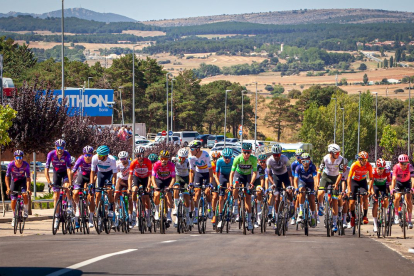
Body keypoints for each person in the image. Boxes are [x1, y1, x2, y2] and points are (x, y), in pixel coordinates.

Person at [45, 139, 72, 230]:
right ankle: (57, 216)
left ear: (64, 148)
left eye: (62, 147)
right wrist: (49, 182)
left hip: (64, 173)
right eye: (58, 147)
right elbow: (46, 169)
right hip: (56, 173)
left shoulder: (67, 155)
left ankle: (69, 204)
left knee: (66, 187)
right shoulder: (51, 154)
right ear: (55, 147)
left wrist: (70, 183)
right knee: (56, 195)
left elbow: (68, 170)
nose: (60, 149)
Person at [229, 143, 258, 230]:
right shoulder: (237, 158)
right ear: (242, 151)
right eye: (245, 152)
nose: (246, 154)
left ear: (251, 152)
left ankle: (249, 221)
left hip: (248, 176)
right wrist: (230, 185)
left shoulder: (253, 159)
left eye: (248, 152)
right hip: (239, 174)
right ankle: (235, 205)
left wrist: (252, 183)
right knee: (236, 184)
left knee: (248, 198)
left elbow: (255, 173)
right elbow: (232, 173)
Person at [316, 143, 344, 231]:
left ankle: (335, 223)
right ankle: (320, 206)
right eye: (337, 153)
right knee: (320, 192)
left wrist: (336, 184)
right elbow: (319, 172)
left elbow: (340, 174)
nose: (338, 154)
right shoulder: (325, 158)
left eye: (339, 153)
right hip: (326, 176)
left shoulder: (341, 159)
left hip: (336, 178)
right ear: (331, 153)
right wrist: (317, 183)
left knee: (335, 200)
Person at [266, 144, 293, 226]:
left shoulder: (285, 159)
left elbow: (290, 174)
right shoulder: (269, 161)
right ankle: (277, 216)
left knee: (289, 191)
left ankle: (291, 204)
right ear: (272, 154)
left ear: (280, 154)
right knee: (277, 198)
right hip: (276, 176)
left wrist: (290, 185)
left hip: (285, 175)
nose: (276, 157)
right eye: (274, 155)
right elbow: (269, 175)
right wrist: (273, 183)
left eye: (278, 155)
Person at [188, 140, 214, 223]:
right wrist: (190, 183)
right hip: (198, 173)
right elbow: (191, 171)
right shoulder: (191, 157)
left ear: (198, 149)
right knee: (197, 193)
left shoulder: (205, 155)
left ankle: (210, 207)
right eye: (190, 149)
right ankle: (196, 215)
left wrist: (210, 183)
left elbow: (210, 170)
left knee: (207, 192)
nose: (190, 151)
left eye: (192, 149)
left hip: (207, 173)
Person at [91, 145, 117, 222]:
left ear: (105, 156)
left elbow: (114, 174)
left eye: (100, 155)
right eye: (98, 154)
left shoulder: (112, 159)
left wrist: (113, 185)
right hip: (100, 174)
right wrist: (92, 183)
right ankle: (98, 211)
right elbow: (92, 172)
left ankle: (110, 209)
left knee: (109, 191)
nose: (98, 156)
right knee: (98, 194)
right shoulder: (95, 158)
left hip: (109, 174)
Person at [5, 150, 31, 227]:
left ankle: (25, 211)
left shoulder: (25, 165)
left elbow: (28, 178)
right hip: (14, 181)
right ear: (14, 158)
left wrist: (28, 189)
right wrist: (8, 188)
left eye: (20, 157)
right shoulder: (11, 165)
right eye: (17, 157)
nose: (19, 159)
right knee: (13, 200)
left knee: (25, 195)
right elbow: (7, 177)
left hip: (23, 181)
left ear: (22, 158)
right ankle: (14, 216)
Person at [347, 151, 373, 228]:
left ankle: (364, 216)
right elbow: (349, 178)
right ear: (359, 159)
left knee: (365, 197)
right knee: (351, 202)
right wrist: (349, 189)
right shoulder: (354, 165)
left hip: (362, 182)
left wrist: (369, 189)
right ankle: (352, 216)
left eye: (366, 160)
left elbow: (371, 178)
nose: (365, 162)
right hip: (354, 181)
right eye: (363, 160)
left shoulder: (368, 165)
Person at [129, 147, 152, 228]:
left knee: (146, 197)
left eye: (141, 155)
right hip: (137, 177)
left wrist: (149, 186)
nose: (139, 157)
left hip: (146, 178)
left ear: (143, 155)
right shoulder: (133, 162)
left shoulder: (148, 162)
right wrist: (129, 187)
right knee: (134, 189)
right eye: (137, 155)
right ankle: (135, 208)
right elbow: (130, 176)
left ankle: (148, 217)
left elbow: (150, 176)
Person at [71, 146, 94, 228]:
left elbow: (96, 174)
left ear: (92, 155)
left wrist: (92, 183)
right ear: (83, 154)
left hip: (91, 177)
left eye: (89, 155)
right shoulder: (80, 158)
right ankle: (77, 207)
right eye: (86, 155)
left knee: (91, 197)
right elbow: (73, 170)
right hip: (82, 176)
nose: (87, 156)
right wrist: (70, 182)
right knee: (76, 192)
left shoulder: (94, 160)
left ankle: (91, 219)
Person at [293, 153, 317, 228]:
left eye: (307, 161)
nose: (305, 163)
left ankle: (313, 216)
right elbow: (295, 179)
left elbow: (315, 178)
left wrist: (316, 188)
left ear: (310, 161)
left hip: (310, 183)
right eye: (303, 161)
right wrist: (296, 188)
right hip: (302, 182)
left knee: (312, 199)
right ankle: (300, 211)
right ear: (301, 161)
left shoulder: (312, 167)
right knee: (301, 191)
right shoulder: (298, 168)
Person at [390, 154, 414, 228]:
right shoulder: (396, 167)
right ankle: (396, 214)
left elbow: (413, 178)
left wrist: (412, 188)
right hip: (398, 183)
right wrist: (392, 189)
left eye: (406, 163)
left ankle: (409, 221)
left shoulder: (410, 166)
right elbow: (393, 179)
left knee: (408, 199)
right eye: (402, 163)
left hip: (407, 182)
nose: (404, 165)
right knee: (397, 197)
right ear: (399, 163)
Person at [152, 150, 175, 223]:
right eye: (162, 158)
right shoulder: (156, 164)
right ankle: (157, 211)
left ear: (168, 159)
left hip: (168, 180)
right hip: (159, 180)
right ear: (160, 158)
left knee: (168, 194)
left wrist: (170, 186)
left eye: (165, 159)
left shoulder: (171, 165)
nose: (163, 160)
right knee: (156, 194)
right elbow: (152, 177)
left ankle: (168, 215)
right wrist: (155, 186)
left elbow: (174, 177)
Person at [172, 148, 192, 228]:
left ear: (186, 157)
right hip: (178, 177)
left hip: (186, 178)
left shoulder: (188, 162)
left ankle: (187, 216)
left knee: (186, 196)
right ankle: (176, 207)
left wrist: (190, 183)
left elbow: (191, 172)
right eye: (180, 157)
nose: (181, 159)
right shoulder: (175, 160)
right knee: (176, 188)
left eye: (183, 157)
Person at [370, 158, 391, 232]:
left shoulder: (387, 172)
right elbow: (371, 184)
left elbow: (389, 183)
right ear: (376, 167)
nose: (381, 170)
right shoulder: (373, 172)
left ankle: (385, 213)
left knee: (386, 199)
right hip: (375, 186)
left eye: (383, 168)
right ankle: (375, 224)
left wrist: (390, 192)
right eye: (379, 168)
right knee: (375, 203)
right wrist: (372, 193)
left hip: (383, 186)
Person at [215, 148, 234, 229]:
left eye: (228, 157)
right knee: (220, 197)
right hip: (222, 176)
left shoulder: (233, 160)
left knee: (228, 193)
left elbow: (234, 173)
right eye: (225, 157)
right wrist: (218, 184)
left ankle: (229, 211)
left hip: (230, 176)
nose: (227, 159)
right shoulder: (219, 161)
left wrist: (232, 184)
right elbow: (216, 174)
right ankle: (220, 215)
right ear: (222, 156)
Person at [114, 151, 132, 228]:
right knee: (115, 193)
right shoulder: (118, 164)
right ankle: (116, 206)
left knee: (130, 198)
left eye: (124, 158)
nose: (123, 160)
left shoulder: (131, 163)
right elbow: (115, 173)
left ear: (127, 158)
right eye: (121, 159)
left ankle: (131, 217)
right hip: (121, 180)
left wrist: (130, 187)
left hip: (129, 181)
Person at [253, 154, 267, 228]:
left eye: (264, 162)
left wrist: (261, 188)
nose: (262, 163)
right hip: (253, 181)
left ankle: (261, 212)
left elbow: (262, 179)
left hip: (260, 182)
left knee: (259, 193)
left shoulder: (263, 168)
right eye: (261, 162)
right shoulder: (256, 166)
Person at [210, 151, 221, 228]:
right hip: (214, 180)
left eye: (217, 158)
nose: (215, 160)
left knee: (222, 197)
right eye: (214, 158)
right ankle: (214, 214)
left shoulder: (221, 163)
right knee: (214, 196)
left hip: (221, 179)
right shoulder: (211, 164)